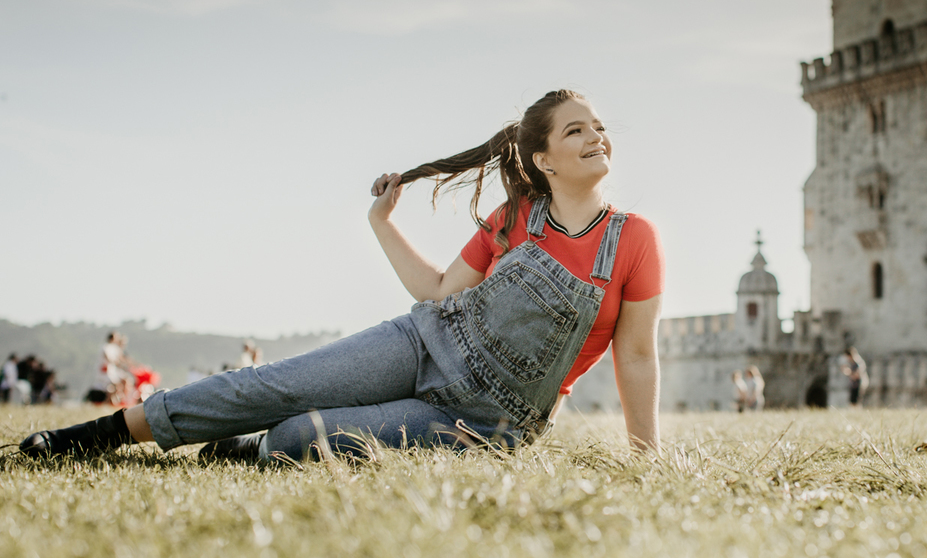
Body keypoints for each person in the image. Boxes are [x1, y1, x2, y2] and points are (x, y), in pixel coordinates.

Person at [20, 89, 665, 462]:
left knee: (301, 435)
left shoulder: (632, 240)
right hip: (422, 343)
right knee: (269, 386)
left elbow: (635, 356)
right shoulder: (515, 214)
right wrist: (383, 224)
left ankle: (252, 449)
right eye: (576, 130)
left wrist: (645, 457)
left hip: (487, 420)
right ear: (543, 158)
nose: (596, 136)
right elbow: (439, 293)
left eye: (601, 128)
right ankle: (94, 436)